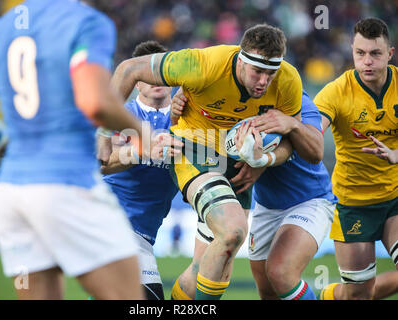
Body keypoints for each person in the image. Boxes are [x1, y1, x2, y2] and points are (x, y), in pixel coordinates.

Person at [0, 0, 181, 300]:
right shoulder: (87, 22)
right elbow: (96, 101)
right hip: (65, 184)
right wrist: (145, 138)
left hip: (12, 190)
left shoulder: (0, 29)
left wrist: (14, 152)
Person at [110, 23, 318, 300]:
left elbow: (298, 146)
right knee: (233, 231)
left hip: (233, 165)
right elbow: (127, 69)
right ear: (241, 60)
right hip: (193, 151)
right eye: (258, 71)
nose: (264, 82)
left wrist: (263, 160)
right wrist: (116, 139)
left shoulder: (288, 80)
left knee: (214, 264)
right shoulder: (202, 64)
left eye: (271, 73)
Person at [170, 90, 336, 300]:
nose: (261, 80)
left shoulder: (295, 98)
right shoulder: (231, 99)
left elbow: (314, 149)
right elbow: (191, 129)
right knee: (267, 291)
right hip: (266, 206)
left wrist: (287, 132)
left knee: (281, 273)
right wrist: (177, 111)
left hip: (309, 199)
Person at [314, 17, 398, 300]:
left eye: (375, 53)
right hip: (354, 204)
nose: (367, 62)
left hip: (395, 196)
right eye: (360, 53)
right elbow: (314, 130)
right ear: (352, 51)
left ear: (390, 53)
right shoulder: (336, 92)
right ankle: (332, 295)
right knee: (358, 295)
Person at [99, 40, 179, 300]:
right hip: (114, 223)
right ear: (135, 81)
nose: (155, 78)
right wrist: (138, 150)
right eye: (146, 73)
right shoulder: (122, 115)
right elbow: (101, 163)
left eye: (161, 72)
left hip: (144, 231)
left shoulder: (187, 120)